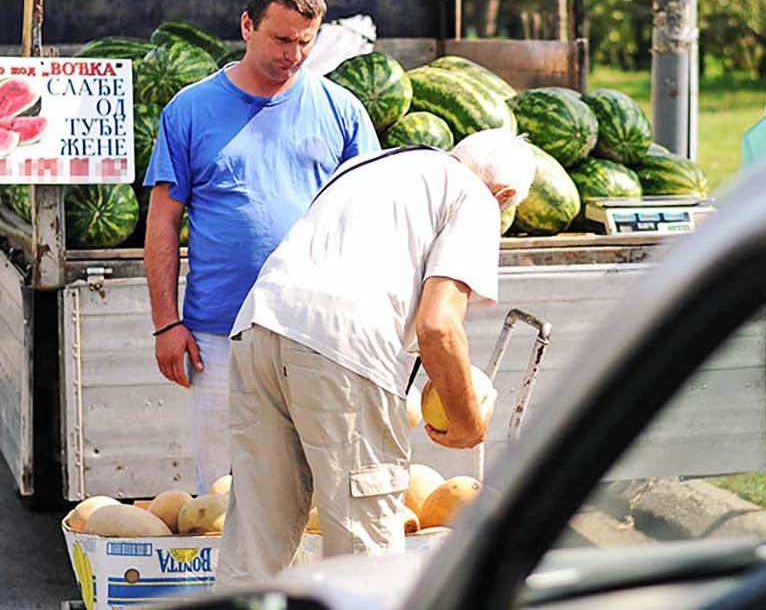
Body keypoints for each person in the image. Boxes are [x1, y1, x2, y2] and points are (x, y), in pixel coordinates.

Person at [214, 127, 536, 588]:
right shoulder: (476, 197)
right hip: (343, 347)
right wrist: (466, 421)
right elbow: (439, 326)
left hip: (260, 325)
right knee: (364, 552)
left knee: (255, 542)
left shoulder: (373, 165)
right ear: (503, 194)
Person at [143, 0, 380, 492]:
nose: (292, 55)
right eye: (280, 39)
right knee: (223, 494)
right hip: (220, 337)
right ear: (247, 25)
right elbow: (163, 222)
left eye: (304, 41)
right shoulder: (189, 110)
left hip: (316, 335)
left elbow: (373, 221)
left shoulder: (342, 111)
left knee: (317, 491)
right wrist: (166, 323)